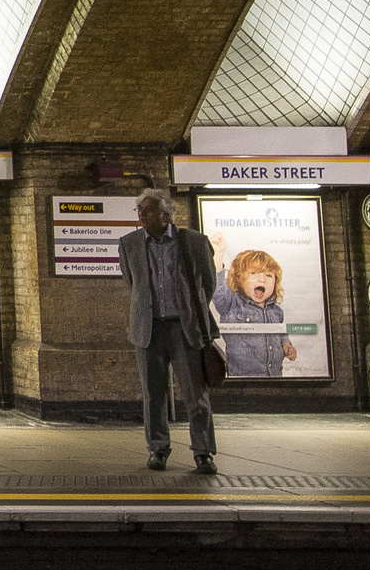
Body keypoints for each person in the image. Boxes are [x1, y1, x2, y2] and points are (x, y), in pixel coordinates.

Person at [118, 188, 221, 474]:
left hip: (184, 328)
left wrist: (189, 311)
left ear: (166, 215)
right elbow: (134, 284)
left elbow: (208, 285)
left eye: (148, 210)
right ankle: (158, 450)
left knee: (195, 395)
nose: (141, 215)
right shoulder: (129, 245)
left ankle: (203, 452)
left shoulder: (195, 243)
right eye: (139, 210)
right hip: (148, 329)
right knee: (153, 394)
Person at [211, 247, 296, 377]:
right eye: (254, 273)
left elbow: (281, 334)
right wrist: (219, 255)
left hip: (275, 377)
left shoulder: (276, 311)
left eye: (268, 275)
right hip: (244, 380)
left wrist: (286, 345)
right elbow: (219, 290)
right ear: (239, 278)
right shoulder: (232, 304)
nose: (262, 279)